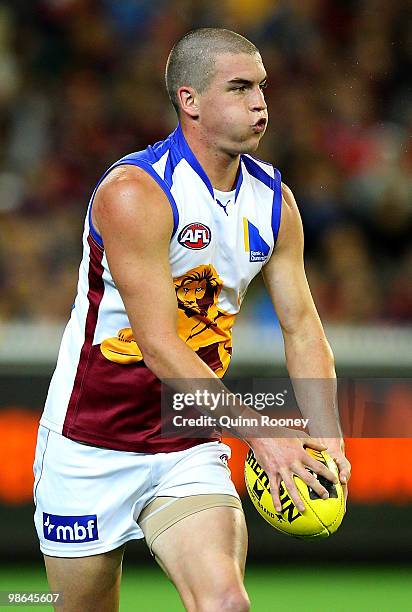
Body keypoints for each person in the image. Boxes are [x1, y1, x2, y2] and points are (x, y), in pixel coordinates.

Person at [33, 28, 351, 612]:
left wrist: (325, 429)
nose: (260, 102)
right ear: (190, 100)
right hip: (89, 444)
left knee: (226, 604)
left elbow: (302, 325)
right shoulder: (136, 193)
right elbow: (157, 346)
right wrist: (263, 433)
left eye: (261, 87)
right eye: (239, 87)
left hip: (187, 438)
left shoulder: (274, 202)